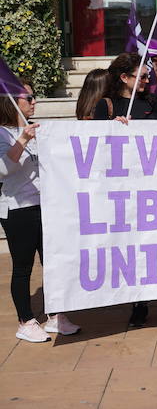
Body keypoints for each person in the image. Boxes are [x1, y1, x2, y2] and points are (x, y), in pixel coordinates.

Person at [92, 53, 157, 327]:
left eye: (148, 76)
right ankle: (139, 305)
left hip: (156, 191)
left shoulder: (153, 101)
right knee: (134, 249)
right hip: (127, 194)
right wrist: (113, 130)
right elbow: (95, 150)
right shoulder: (106, 106)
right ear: (124, 78)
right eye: (142, 77)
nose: (147, 81)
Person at [0, 84, 81, 342]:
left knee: (52, 264)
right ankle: (25, 320)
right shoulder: (3, 133)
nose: (34, 102)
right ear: (12, 102)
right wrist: (23, 140)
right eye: (29, 97)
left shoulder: (40, 128)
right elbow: (3, 170)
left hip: (46, 206)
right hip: (18, 209)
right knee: (23, 267)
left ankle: (56, 316)